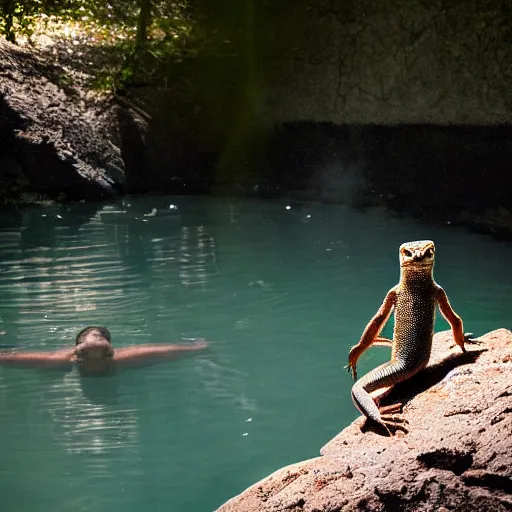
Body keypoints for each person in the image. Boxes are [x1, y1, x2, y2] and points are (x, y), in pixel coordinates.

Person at [0, 326, 208, 375]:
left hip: (83, 367)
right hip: (97, 367)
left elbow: (156, 352)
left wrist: (193, 348)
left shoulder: (63, 359)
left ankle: (92, 342)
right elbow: (156, 351)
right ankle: (93, 340)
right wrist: (195, 348)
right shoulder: (123, 358)